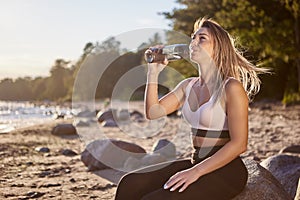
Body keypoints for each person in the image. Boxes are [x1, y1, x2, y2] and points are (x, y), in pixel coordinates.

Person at [115, 17, 267, 200]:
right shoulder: (187, 86)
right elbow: (153, 112)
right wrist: (152, 73)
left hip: (226, 171)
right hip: (197, 161)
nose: (193, 42)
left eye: (202, 38)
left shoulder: (231, 87)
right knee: (130, 183)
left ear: (218, 47)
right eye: (193, 37)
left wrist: (195, 172)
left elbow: (239, 144)